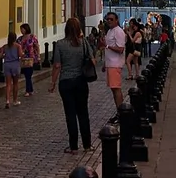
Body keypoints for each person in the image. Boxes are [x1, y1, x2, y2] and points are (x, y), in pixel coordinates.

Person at [48, 17, 95, 153]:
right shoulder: (84, 42)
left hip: (66, 82)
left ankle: (73, 146)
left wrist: (52, 83)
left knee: (70, 114)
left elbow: (57, 65)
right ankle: (87, 144)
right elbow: (93, 59)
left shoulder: (60, 44)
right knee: (83, 113)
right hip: (81, 81)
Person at [102, 12, 127, 108]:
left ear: (116, 20)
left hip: (115, 64)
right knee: (113, 89)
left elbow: (120, 49)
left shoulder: (118, 31)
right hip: (110, 63)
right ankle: (119, 110)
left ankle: (121, 112)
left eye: (111, 19)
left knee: (116, 89)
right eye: (107, 19)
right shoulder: (110, 31)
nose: (109, 21)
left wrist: (107, 46)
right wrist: (105, 63)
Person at [0, 31, 22, 108]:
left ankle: (7, 101)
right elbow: (20, 55)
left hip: (7, 65)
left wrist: (4, 54)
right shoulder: (18, 46)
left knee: (8, 84)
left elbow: (1, 56)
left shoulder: (5, 46)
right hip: (15, 64)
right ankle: (15, 100)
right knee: (15, 84)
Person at [18, 23, 40, 98]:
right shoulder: (20, 39)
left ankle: (28, 90)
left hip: (31, 58)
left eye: (22, 29)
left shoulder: (32, 37)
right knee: (27, 75)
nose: (21, 30)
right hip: (23, 59)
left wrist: (38, 56)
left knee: (28, 74)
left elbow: (37, 46)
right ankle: (30, 89)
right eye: (20, 29)